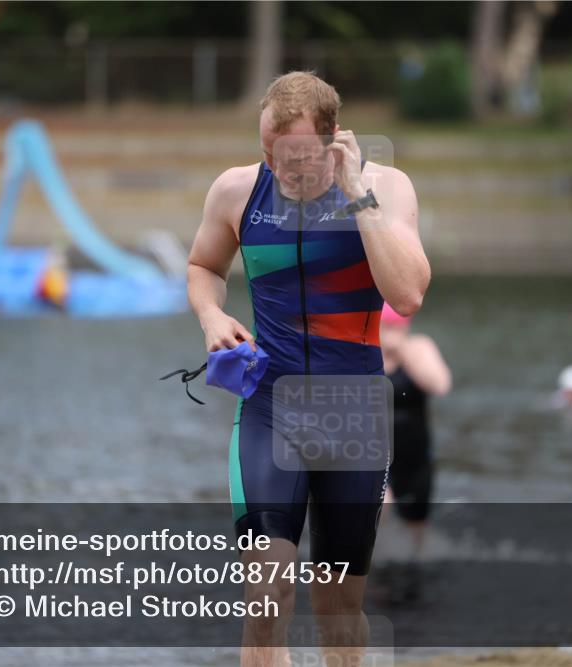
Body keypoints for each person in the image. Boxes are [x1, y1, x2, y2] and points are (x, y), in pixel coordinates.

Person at [186, 71, 430, 666]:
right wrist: (211, 316)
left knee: (337, 605)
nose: (277, 169)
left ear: (334, 142)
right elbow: (203, 266)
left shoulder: (387, 189)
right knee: (266, 591)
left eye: (293, 158)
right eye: (268, 152)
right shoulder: (238, 191)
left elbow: (408, 296)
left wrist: (356, 194)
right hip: (271, 409)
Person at [380, 303, 451, 555]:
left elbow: (440, 385)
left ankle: (414, 569)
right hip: (373, 454)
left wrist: (404, 353)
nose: (392, 332)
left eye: (396, 327)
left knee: (416, 526)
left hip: (414, 455)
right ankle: (371, 573)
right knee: (379, 511)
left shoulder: (418, 347)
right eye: (386, 327)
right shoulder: (366, 354)